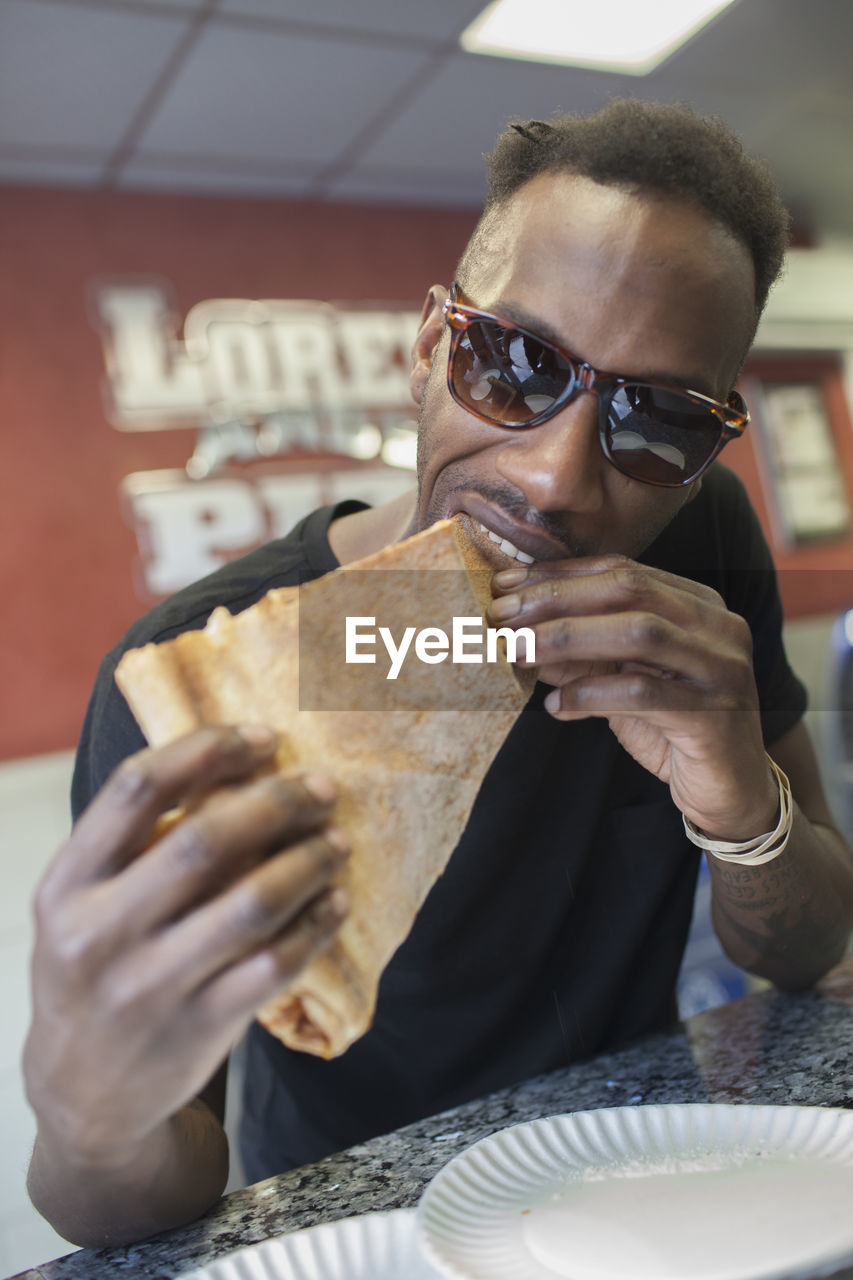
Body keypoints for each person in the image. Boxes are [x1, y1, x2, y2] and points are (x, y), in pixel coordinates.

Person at [25, 99, 853, 1248]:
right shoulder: (211, 665)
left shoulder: (701, 540)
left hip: (643, 1178)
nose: (557, 476)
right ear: (428, 351)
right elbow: (140, 1212)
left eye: (653, 422)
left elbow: (811, 945)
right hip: (361, 1215)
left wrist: (740, 799)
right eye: (514, 365)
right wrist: (86, 1114)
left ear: (706, 450)